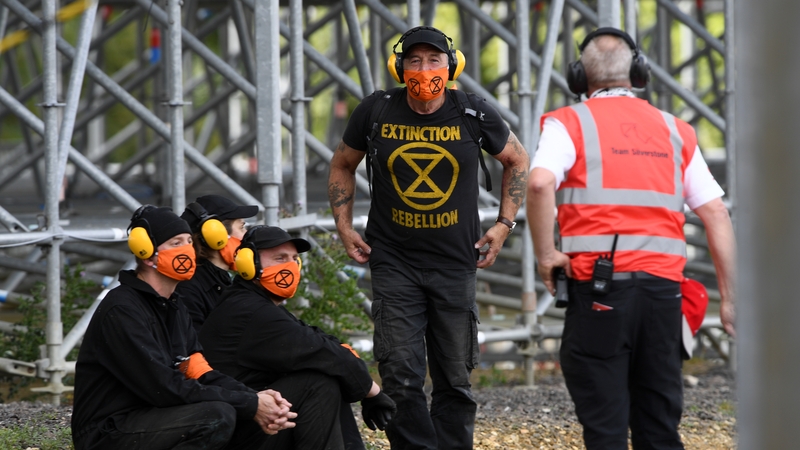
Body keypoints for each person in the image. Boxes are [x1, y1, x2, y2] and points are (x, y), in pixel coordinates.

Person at [527, 27, 736, 450]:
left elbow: (538, 184)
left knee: (605, 429)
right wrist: (730, 299)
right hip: (664, 297)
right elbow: (715, 211)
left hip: (599, 292)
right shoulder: (675, 129)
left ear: (578, 78)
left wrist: (546, 253)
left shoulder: (568, 123)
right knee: (659, 428)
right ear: (638, 73)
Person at [328, 26, 529, 449]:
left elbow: (517, 159)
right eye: (415, 61)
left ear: (451, 66)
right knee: (400, 374)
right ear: (399, 67)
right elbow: (342, 164)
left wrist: (504, 224)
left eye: (434, 60)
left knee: (455, 378)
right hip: (394, 263)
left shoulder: (473, 112)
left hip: (456, 263)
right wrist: (344, 227)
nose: (424, 70)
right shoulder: (376, 111)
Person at [71, 205, 296, 450]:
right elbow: (163, 387)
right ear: (145, 252)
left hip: (154, 418)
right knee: (217, 415)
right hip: (107, 432)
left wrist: (255, 398)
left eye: (189, 241)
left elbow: (201, 373)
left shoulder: (175, 307)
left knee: (246, 413)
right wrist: (248, 403)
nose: (187, 250)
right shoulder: (122, 309)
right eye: (176, 243)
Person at [199, 225, 397, 450]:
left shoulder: (253, 302)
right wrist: (373, 393)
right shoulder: (251, 311)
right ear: (248, 264)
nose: (290, 266)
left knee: (324, 374)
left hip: (248, 424)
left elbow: (316, 338)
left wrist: (348, 364)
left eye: (294, 259)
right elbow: (321, 352)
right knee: (318, 382)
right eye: (279, 258)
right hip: (236, 432)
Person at [176, 194, 259, 332]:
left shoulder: (223, 278)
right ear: (216, 235)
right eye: (242, 227)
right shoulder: (189, 289)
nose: (246, 235)